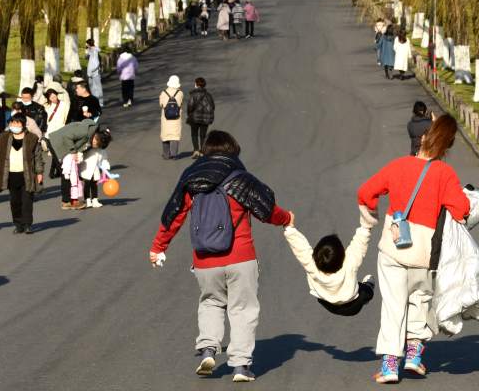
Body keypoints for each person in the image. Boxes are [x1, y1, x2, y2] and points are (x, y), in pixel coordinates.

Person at [149, 130, 293, 382]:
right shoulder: (240, 178)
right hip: (240, 257)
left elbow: (173, 214)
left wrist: (158, 247)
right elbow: (267, 210)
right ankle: (240, 366)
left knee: (210, 303)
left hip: (205, 260)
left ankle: (208, 348)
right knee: (243, 309)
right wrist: (287, 219)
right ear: (233, 151)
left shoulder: (191, 178)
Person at [358, 114, 470, 383]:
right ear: (448, 146)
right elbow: (461, 209)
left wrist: (372, 211)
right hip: (425, 251)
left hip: (394, 246)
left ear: (422, 138)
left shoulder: (397, 166)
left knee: (393, 305)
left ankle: (388, 365)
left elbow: (366, 192)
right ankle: (414, 356)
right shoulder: (445, 174)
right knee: (420, 299)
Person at [283, 215, 375, 316]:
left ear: (315, 256)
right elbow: (359, 244)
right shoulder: (349, 264)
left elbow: (300, 247)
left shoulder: (311, 265)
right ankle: (369, 287)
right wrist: (366, 226)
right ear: (344, 255)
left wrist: (289, 228)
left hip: (327, 303)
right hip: (352, 306)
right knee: (366, 292)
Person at [0, 114, 44, 235]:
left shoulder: (32, 138)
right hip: (10, 174)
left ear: (23, 124)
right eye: (12, 123)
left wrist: (39, 172)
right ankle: (18, 224)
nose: (14, 126)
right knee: (14, 202)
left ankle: (27, 225)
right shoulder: (4, 137)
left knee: (27, 201)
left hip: (27, 174)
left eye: (17, 123)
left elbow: (38, 156)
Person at [46, 119, 102, 210]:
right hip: (56, 144)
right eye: (97, 144)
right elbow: (67, 136)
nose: (95, 146)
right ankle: (66, 201)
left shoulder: (89, 133)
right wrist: (73, 151)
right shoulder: (85, 131)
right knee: (66, 174)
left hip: (62, 146)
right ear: (96, 138)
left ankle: (72, 200)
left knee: (69, 173)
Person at [79, 131, 112, 209]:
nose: (94, 140)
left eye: (97, 139)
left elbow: (104, 160)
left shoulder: (102, 151)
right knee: (86, 185)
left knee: (94, 185)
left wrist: (106, 170)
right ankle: (87, 200)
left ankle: (94, 199)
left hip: (95, 170)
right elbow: (81, 153)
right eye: (93, 138)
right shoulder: (88, 148)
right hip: (86, 169)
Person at [187, 77, 215, 158]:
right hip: (206, 118)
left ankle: (196, 151)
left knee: (194, 134)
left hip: (194, 118)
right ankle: (202, 151)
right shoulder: (208, 95)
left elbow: (190, 106)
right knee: (203, 135)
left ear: (196, 84)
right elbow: (212, 106)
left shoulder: (193, 95)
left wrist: (190, 114)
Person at [160, 75, 184, 160]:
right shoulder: (180, 93)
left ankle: (166, 154)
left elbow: (161, 104)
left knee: (166, 135)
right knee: (175, 135)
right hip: (176, 118)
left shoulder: (163, 92)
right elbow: (181, 104)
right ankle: (174, 154)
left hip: (166, 118)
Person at [85, 39, 104, 107]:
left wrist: (93, 70)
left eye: (86, 44)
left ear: (89, 44)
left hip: (95, 73)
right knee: (92, 87)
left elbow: (96, 63)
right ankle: (95, 101)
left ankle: (100, 102)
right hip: (91, 73)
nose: (86, 45)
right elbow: (87, 57)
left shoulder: (94, 51)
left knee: (98, 87)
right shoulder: (91, 50)